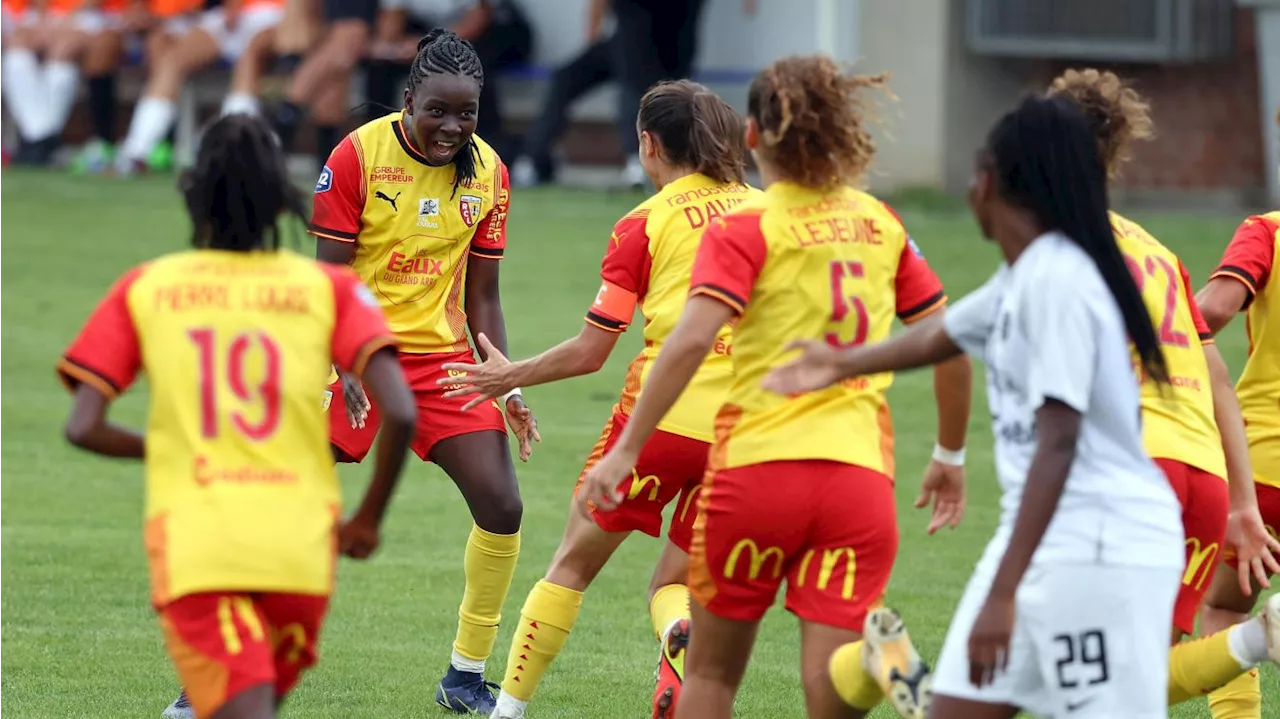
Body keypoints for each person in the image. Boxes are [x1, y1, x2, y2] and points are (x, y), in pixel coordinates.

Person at [765, 93, 1280, 719]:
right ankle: (1252, 640)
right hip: (1052, 537)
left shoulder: (1061, 282)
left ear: (993, 185)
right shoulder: (1036, 267)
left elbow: (1060, 443)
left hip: (1101, 543)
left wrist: (1003, 594)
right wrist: (840, 362)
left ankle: (1249, 642)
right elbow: (949, 331)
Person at [581, 56, 971, 719]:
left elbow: (691, 340)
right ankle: (876, 659)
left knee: (709, 674)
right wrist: (950, 456)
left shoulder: (745, 226)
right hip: (858, 481)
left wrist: (626, 450)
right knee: (830, 688)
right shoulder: (881, 222)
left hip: (757, 474)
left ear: (753, 138)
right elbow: (949, 341)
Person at [58, 113, 416, 719]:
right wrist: (367, 521)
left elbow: (82, 424)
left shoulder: (148, 288)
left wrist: (169, 446)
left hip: (199, 544)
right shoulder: (329, 289)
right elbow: (401, 411)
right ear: (282, 202)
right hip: (299, 550)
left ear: (193, 195)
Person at [440, 79, 768, 719]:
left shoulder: (644, 223)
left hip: (658, 422)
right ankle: (678, 635)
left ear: (649, 144)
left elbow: (593, 350)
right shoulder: (765, 211)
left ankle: (506, 710)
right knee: (676, 584)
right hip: (746, 431)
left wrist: (510, 375)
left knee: (569, 566)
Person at [309, 27, 536, 715]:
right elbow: (329, 281)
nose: (451, 127)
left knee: (502, 505)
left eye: (465, 113)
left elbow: (484, 296)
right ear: (408, 99)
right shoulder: (356, 156)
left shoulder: (489, 172)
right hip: (358, 354)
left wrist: (506, 379)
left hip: (442, 363)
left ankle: (464, 675)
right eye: (437, 110)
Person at [1046, 68, 1280, 652]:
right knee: (1141, 665)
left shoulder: (1268, 232)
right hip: (1203, 473)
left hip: (1206, 459)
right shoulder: (1157, 251)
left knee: (1205, 612)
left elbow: (1220, 308)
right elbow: (1216, 373)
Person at [1193, 108, 1280, 718]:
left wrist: (1160, 318)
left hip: (1263, 465)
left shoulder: (1268, 231)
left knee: (1224, 610)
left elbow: (1218, 309)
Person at [113, 0, 285, 174]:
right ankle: (137, 152)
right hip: (225, 17)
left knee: (248, 60)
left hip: (272, 14)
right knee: (172, 60)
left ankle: (231, 148)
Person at [366, 0, 530, 158]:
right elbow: (391, 22)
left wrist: (429, 46)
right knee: (380, 66)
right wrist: (391, 48)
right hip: (430, 35)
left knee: (473, 68)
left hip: (494, 29)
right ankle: (379, 145)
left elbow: (478, 17)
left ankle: (489, 148)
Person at [0, 0, 127, 166]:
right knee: (16, 53)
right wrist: (44, 20)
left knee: (62, 55)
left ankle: (38, 142)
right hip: (41, 18)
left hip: (92, 18)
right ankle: (42, 138)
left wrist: (66, 21)